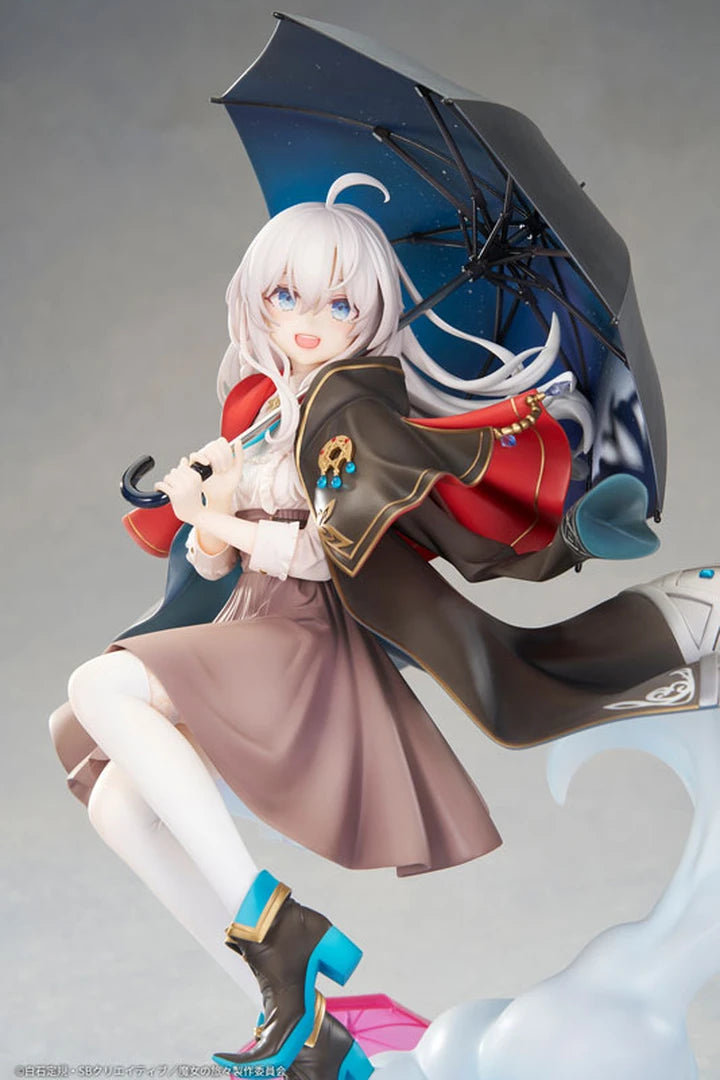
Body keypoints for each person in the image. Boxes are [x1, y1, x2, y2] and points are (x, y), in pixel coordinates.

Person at [50, 173, 715, 1079]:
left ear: (370, 311)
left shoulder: (354, 411)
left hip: (303, 647)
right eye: (287, 296)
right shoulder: (267, 411)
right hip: (246, 632)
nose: (308, 320)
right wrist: (204, 516)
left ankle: (279, 927)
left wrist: (229, 521)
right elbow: (209, 574)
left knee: (99, 683)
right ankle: (306, 1027)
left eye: (338, 302)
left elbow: (322, 555)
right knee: (120, 800)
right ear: (257, 297)